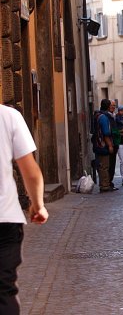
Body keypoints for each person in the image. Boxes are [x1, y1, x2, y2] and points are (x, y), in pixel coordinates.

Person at [0, 104, 49, 314]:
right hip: (4, 218)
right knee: (3, 291)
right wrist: (38, 206)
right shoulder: (8, 116)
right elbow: (31, 172)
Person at [92, 99, 115, 192]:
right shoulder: (104, 117)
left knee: (101, 165)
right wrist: (110, 145)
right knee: (104, 166)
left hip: (96, 144)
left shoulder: (96, 115)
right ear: (108, 106)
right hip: (102, 145)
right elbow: (106, 133)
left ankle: (103, 184)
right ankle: (105, 185)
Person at [107, 100, 120, 190]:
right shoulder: (107, 116)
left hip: (114, 143)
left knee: (112, 163)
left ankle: (109, 182)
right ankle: (108, 182)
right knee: (109, 164)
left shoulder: (114, 116)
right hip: (111, 143)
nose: (113, 107)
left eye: (114, 106)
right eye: (112, 105)